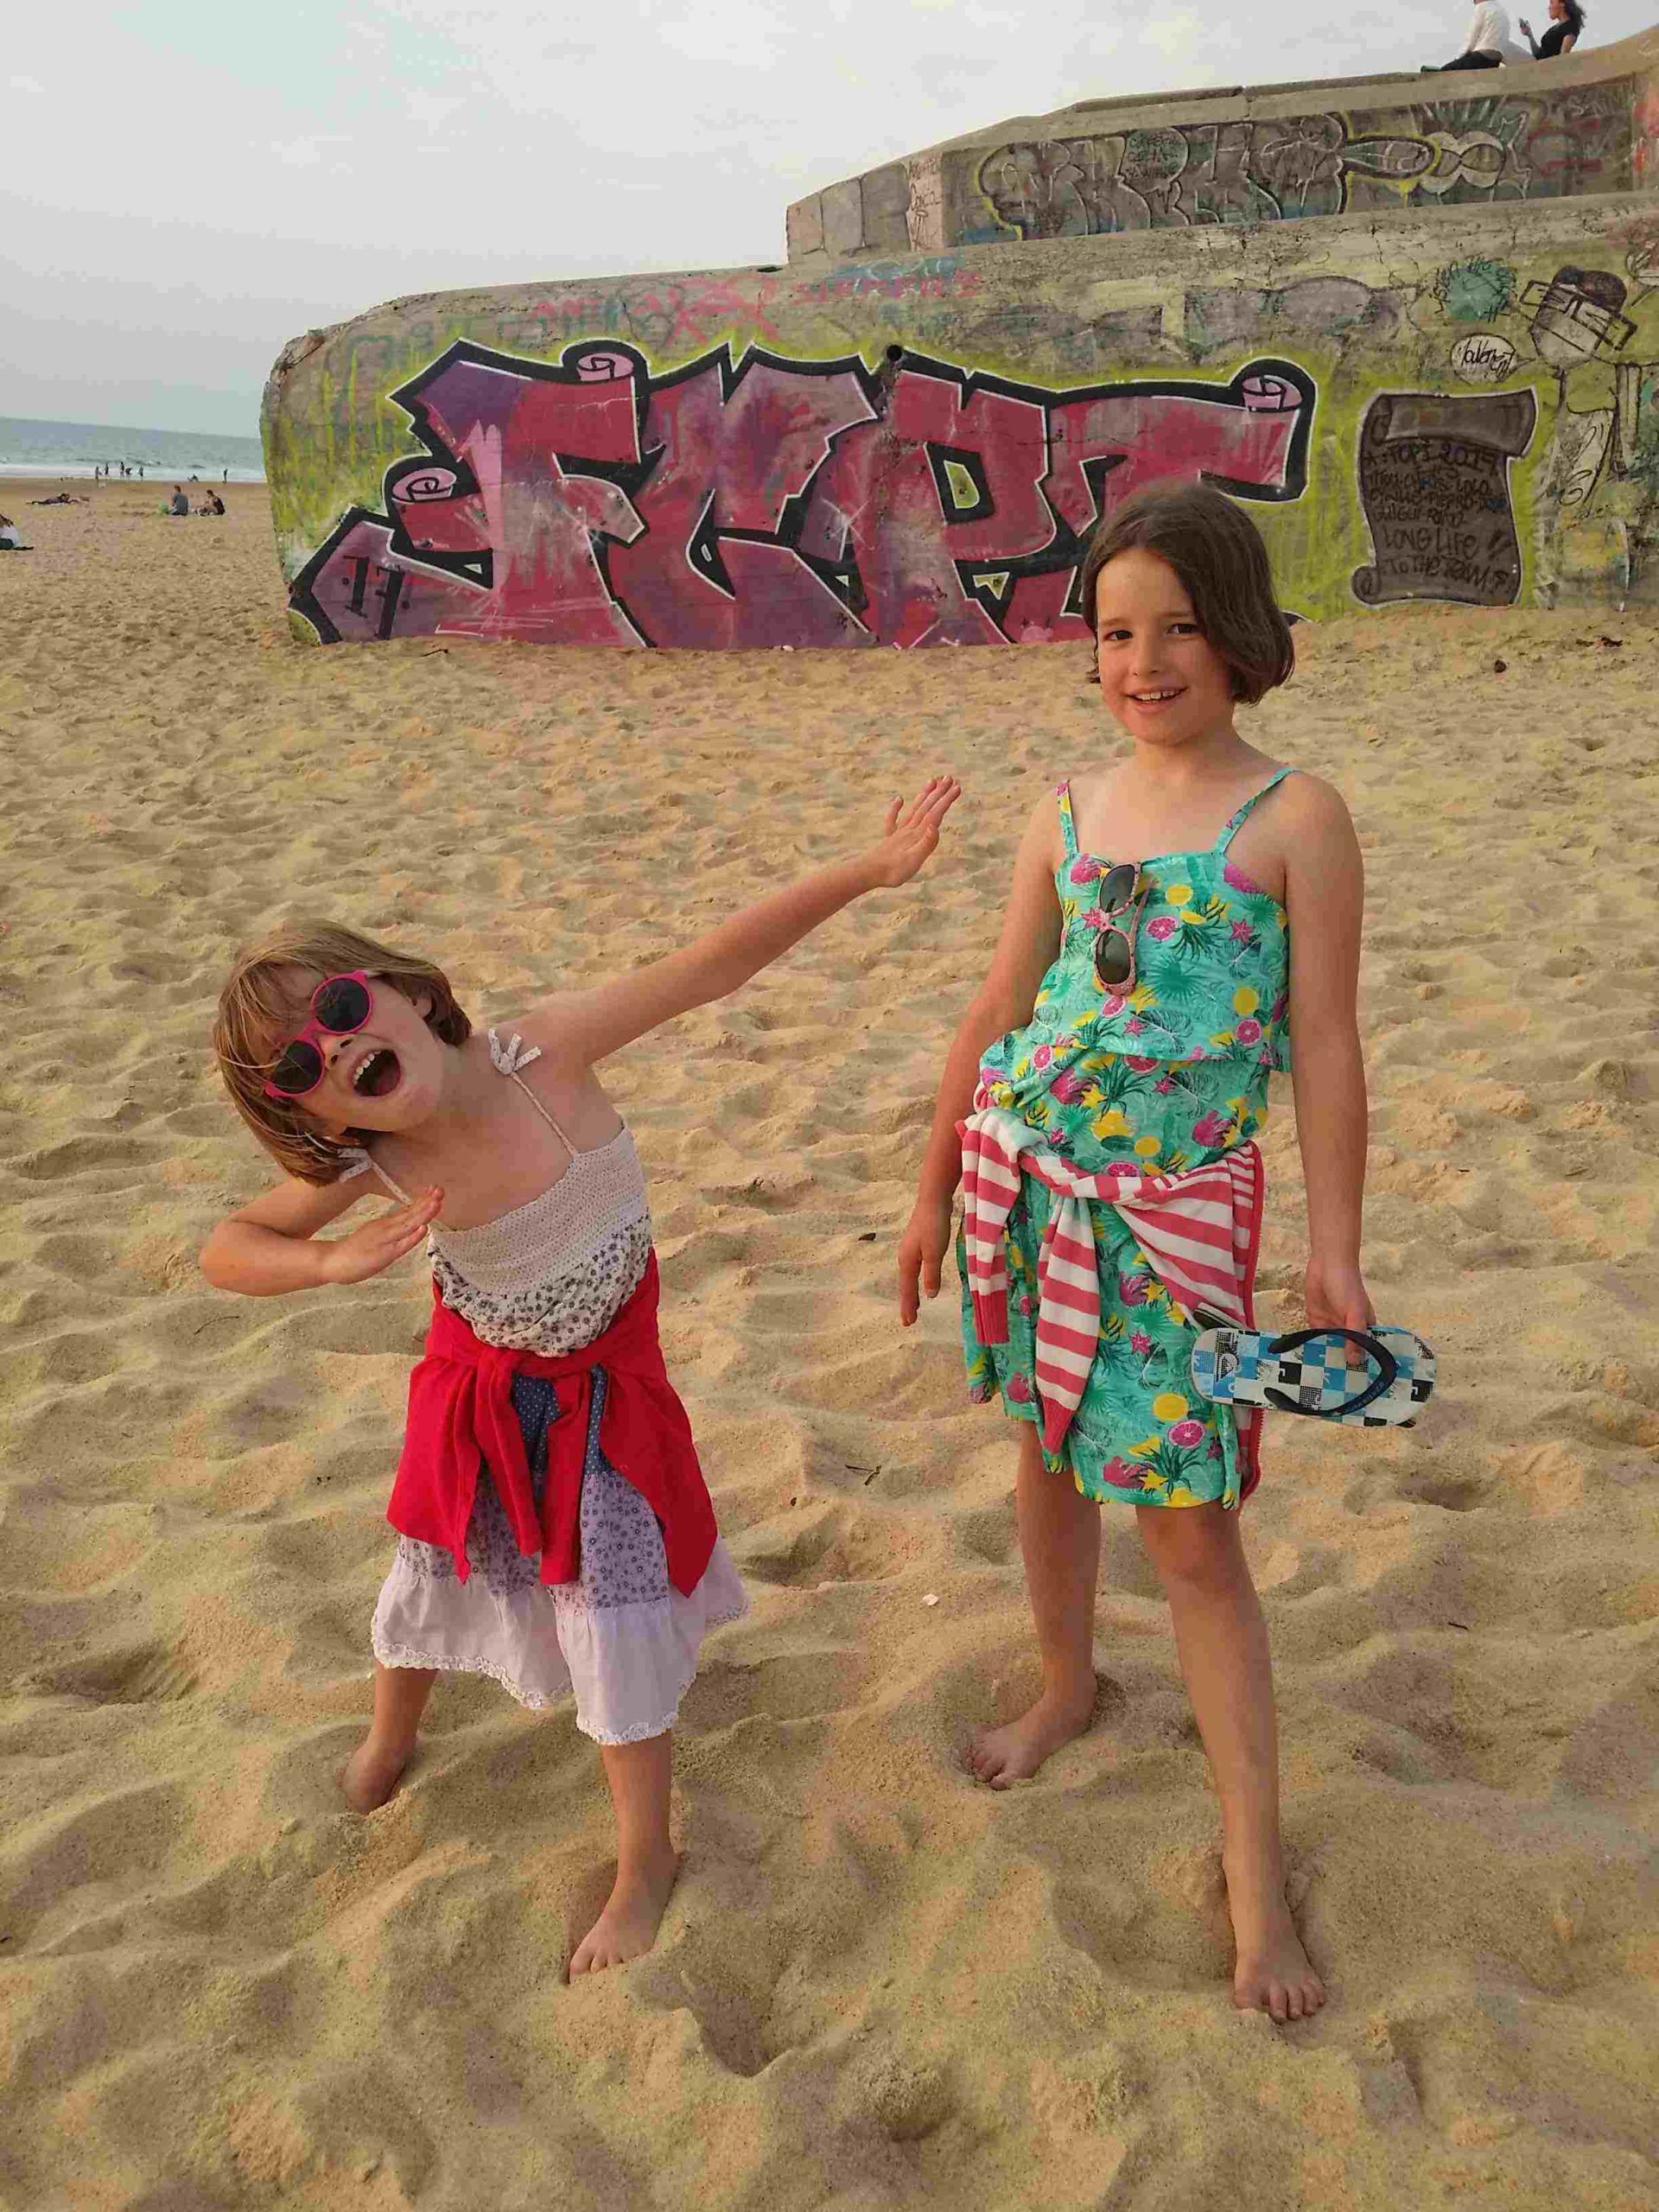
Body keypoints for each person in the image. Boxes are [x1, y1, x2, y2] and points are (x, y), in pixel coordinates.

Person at [200, 779, 960, 1974]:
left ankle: (644, 1857)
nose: (334, 1043)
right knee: (434, 1552)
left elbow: (711, 965)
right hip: (479, 1396)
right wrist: (330, 1261)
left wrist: (867, 870)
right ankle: (390, 1735)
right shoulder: (372, 1165)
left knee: (614, 1616)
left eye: (340, 1006)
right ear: (308, 1108)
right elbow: (228, 1248)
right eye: (301, 1059)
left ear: (409, 992)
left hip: (606, 1406)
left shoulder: (542, 1055)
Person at [898, 485, 1371, 2024]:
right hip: (1027, 1196)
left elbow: (1325, 1045)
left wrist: (1336, 1253)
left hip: (1176, 1229)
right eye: (1113, 633)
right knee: (1045, 1454)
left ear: (1237, 634)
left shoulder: (1294, 817)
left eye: (1175, 628)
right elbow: (998, 1011)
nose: (1142, 662)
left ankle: (1255, 1876)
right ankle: (1066, 1685)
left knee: (1189, 1533)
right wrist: (930, 1188)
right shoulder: (1061, 813)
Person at [1423, 0, 1526, 66]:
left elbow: (1470, 40)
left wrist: (1457, 59)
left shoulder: (1482, 7)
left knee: (1445, 71)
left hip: (1482, 57)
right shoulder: (1501, 10)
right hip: (1495, 60)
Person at [1518, 0, 1582, 54]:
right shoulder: (1554, 28)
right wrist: (1530, 35)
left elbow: (1563, 57)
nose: (1549, 7)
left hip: (1548, 65)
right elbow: (1538, 54)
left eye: (1552, 2)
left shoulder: (1570, 27)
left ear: (1562, 4)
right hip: (1539, 63)